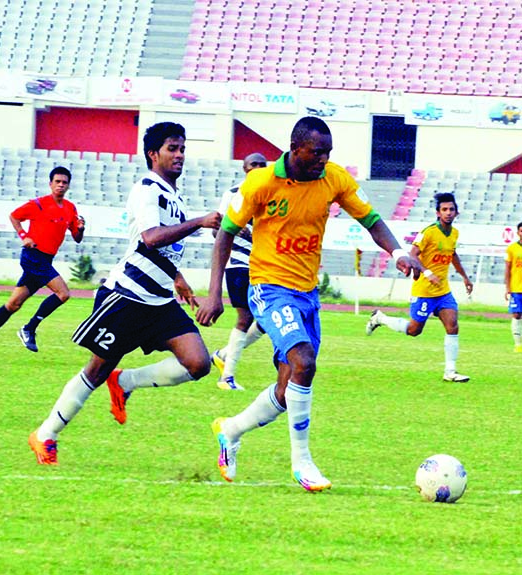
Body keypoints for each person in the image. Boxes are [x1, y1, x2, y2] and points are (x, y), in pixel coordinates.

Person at [196, 116, 422, 491]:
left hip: (306, 292)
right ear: (295, 148)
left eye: (328, 153)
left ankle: (230, 430)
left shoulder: (333, 178)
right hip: (269, 287)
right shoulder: (261, 182)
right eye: (317, 152)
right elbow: (225, 235)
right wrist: (214, 293)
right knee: (304, 360)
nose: (323, 159)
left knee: (289, 387)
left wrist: (398, 251)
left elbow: (372, 220)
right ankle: (303, 463)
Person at [28, 122, 221, 465]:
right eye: (172, 148)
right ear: (153, 153)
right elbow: (151, 238)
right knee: (95, 370)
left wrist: (177, 277)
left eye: (182, 148)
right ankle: (46, 434)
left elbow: (160, 247)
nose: (179, 155)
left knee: (198, 363)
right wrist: (200, 221)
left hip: (160, 300)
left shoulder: (173, 195)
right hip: (127, 296)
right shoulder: (147, 188)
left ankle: (126, 382)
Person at [0, 166, 85, 361]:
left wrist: (81, 228)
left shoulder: (70, 208)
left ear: (68, 185)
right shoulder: (38, 204)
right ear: (50, 184)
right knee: (63, 293)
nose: (61, 185)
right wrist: (24, 236)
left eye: (64, 182)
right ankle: (29, 328)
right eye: (57, 181)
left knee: (13, 304)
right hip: (33, 256)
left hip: (46, 259)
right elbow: (14, 216)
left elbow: (77, 237)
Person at [366, 192, 473, 382]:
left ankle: (450, 372)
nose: (448, 213)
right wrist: (427, 272)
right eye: (444, 209)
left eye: (451, 209)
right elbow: (412, 255)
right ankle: (380, 318)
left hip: (443, 291)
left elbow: (452, 255)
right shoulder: (428, 232)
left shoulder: (454, 233)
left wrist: (465, 277)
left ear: (457, 213)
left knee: (453, 325)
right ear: (438, 213)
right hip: (424, 290)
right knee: (414, 330)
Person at [210, 152, 268, 391]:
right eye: (253, 164)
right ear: (244, 168)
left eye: (262, 165)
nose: (257, 168)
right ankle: (227, 378)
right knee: (245, 318)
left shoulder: (269, 194)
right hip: (238, 263)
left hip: (263, 265)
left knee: (265, 321)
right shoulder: (233, 194)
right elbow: (218, 232)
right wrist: (235, 231)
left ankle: (224, 355)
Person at [506, 221, 522, 353]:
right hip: (516, 288)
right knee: (516, 315)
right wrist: (507, 288)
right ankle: (518, 344)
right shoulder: (512, 248)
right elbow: (507, 269)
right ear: (518, 233)